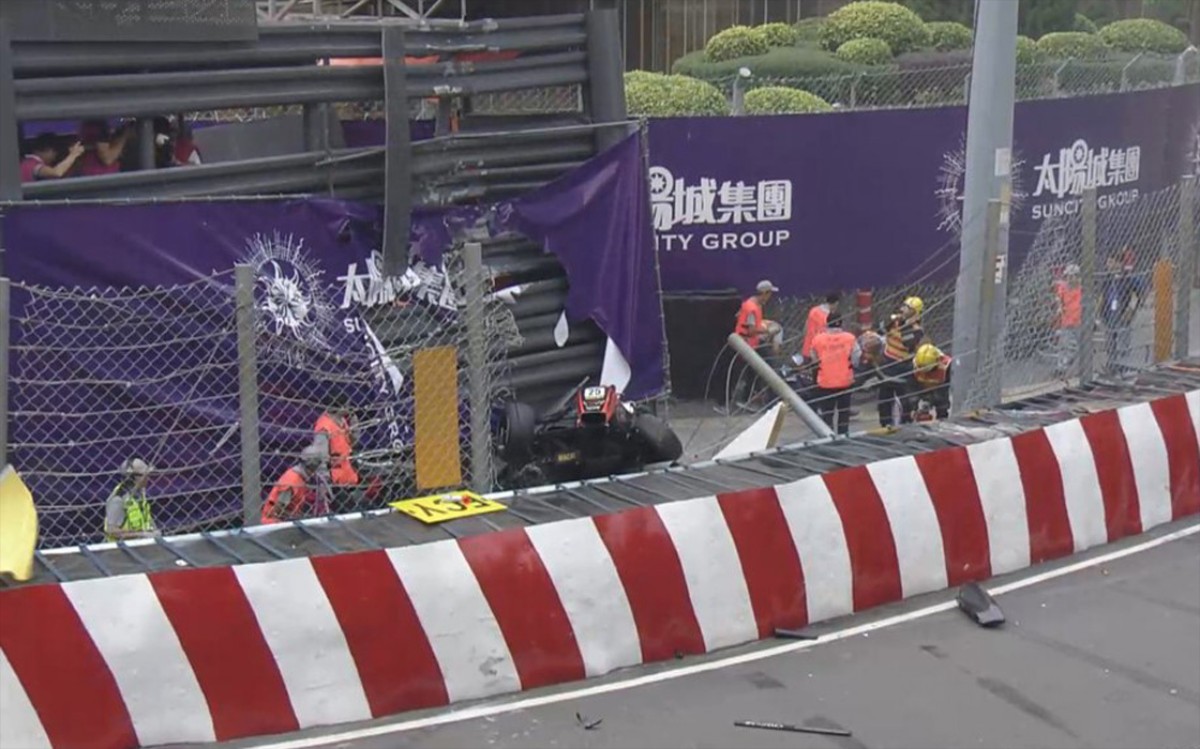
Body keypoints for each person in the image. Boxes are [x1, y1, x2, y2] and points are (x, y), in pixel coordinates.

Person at [810, 313, 861, 436]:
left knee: (827, 413)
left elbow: (814, 359)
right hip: (845, 381)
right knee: (844, 412)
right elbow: (857, 356)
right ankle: (843, 435)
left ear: (827, 323)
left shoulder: (818, 339)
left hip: (825, 382)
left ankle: (827, 436)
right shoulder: (850, 338)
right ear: (841, 323)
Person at [876, 296, 924, 427]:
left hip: (902, 367)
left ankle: (905, 424)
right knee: (884, 399)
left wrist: (904, 324)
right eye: (904, 306)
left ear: (914, 312)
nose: (902, 309)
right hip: (887, 364)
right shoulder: (894, 322)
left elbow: (908, 342)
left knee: (904, 400)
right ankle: (885, 424)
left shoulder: (916, 329)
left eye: (907, 308)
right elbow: (880, 331)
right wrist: (889, 321)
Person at [732, 279, 780, 408]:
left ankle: (748, 398)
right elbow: (752, 330)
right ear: (764, 293)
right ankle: (746, 399)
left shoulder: (751, 303)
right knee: (753, 371)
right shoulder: (752, 308)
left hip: (750, 343)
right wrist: (767, 330)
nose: (770, 297)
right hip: (747, 344)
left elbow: (739, 317)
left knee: (752, 372)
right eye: (769, 294)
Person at [1101, 248, 1144, 378]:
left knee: (1122, 339)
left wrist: (1131, 309)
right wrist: (1100, 312)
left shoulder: (1128, 277)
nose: (1108, 265)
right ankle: (1112, 364)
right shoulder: (1107, 278)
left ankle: (1123, 366)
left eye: (1111, 262)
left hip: (1123, 313)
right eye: (1108, 262)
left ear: (1119, 263)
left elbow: (1139, 293)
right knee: (1110, 341)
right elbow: (1102, 295)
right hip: (1109, 313)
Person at [261, 445, 331, 525]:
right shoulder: (292, 481)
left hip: (284, 522)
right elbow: (277, 510)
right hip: (273, 523)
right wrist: (298, 518)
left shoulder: (300, 478)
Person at [104, 458, 158, 541]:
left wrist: (154, 530)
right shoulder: (118, 499)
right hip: (121, 547)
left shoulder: (140, 493)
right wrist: (141, 535)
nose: (148, 478)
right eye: (144, 475)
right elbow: (111, 530)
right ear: (132, 478)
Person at [314, 395, 359, 487]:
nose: (349, 408)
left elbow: (352, 442)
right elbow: (321, 456)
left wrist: (354, 424)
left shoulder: (341, 420)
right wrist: (325, 480)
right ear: (340, 408)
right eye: (347, 406)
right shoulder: (324, 426)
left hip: (349, 471)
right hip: (336, 479)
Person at [1052, 264, 1083, 377]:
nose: (1069, 279)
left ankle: (1077, 369)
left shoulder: (1081, 289)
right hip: (1067, 321)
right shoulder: (1063, 288)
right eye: (1068, 276)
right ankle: (1061, 368)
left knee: (1079, 347)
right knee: (1065, 345)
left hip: (1079, 321)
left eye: (1072, 276)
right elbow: (1058, 298)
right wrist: (1059, 307)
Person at [911, 342, 953, 421]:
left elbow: (945, 390)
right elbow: (912, 385)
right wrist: (914, 405)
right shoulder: (916, 363)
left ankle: (942, 420)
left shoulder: (946, 366)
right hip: (922, 388)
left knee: (942, 405)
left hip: (939, 390)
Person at [20, 134, 84, 182]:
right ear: (47, 149)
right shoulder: (31, 164)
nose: (55, 156)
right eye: (55, 151)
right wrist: (73, 154)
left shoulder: (27, 161)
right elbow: (57, 173)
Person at [801, 292, 842, 363]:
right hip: (818, 353)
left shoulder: (813, 310)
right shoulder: (829, 317)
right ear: (836, 303)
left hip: (807, 348)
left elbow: (805, 328)